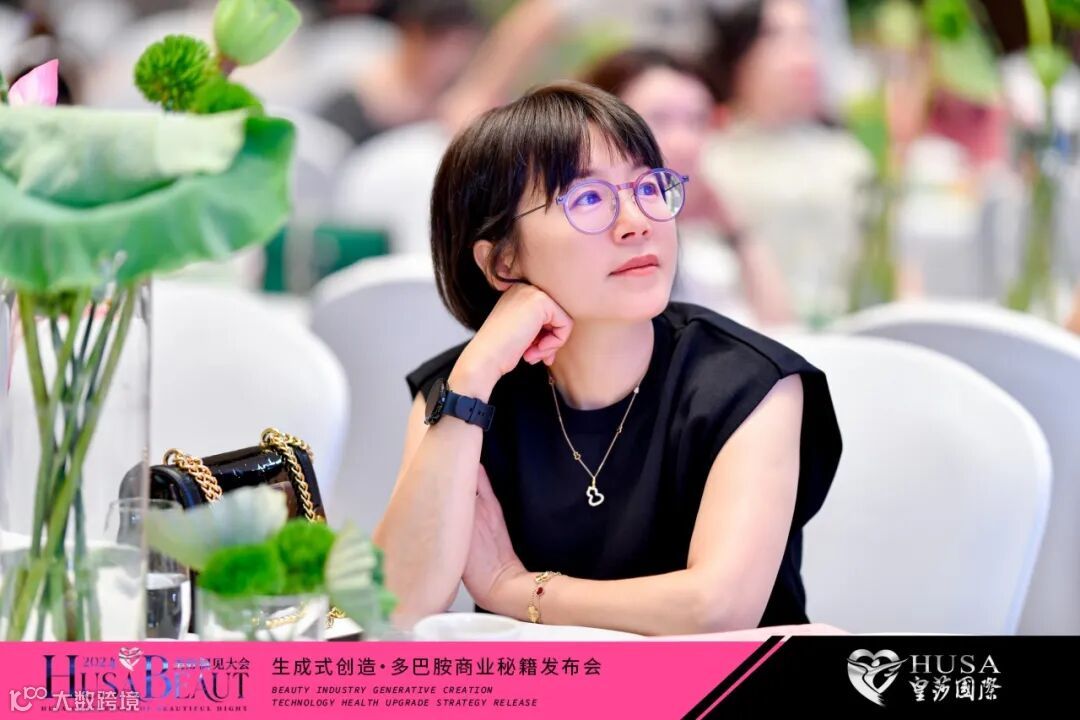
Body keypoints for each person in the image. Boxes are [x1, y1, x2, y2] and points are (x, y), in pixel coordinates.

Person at [373, 81, 842, 636]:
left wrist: (514, 589)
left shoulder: (750, 382)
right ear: (502, 262)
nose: (637, 221)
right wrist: (472, 379)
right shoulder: (463, 392)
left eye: (648, 187)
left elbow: (716, 609)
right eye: (589, 199)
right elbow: (393, 608)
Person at [581, 47, 794, 326]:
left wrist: (738, 231)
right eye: (659, 119)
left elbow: (781, 329)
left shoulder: (705, 246)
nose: (686, 143)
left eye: (697, 121)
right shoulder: (589, 233)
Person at [702, 0, 874, 323]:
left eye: (808, 34)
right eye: (776, 36)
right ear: (739, 55)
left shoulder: (849, 158)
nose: (801, 53)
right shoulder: (710, 161)